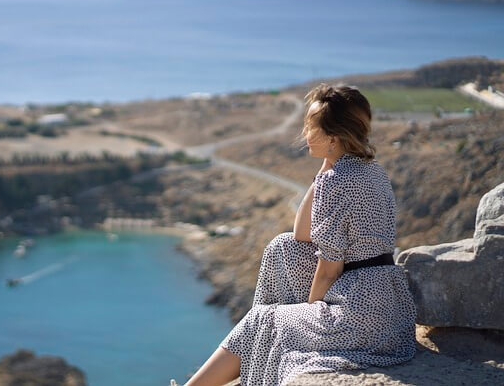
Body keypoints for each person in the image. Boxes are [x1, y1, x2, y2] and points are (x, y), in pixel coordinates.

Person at [171, 83, 416, 386]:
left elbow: (328, 270)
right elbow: (302, 236)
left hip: (359, 315)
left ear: (332, 138)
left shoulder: (337, 182)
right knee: (282, 247)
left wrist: (308, 313)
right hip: (387, 303)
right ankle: (260, 341)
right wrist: (325, 169)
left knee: (264, 319)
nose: (304, 132)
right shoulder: (370, 170)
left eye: (310, 125)